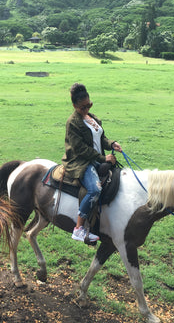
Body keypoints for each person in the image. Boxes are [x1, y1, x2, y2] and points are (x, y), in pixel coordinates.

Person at [62, 83, 122, 243]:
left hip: (96, 158)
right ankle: (78, 229)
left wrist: (111, 144)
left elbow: (101, 138)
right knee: (95, 189)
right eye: (82, 107)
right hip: (81, 162)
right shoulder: (73, 123)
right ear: (74, 106)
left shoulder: (93, 118)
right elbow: (80, 149)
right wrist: (103, 158)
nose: (86, 109)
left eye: (89, 105)